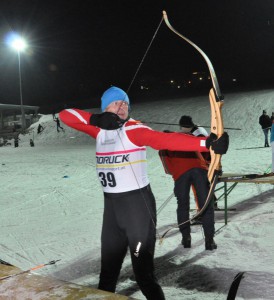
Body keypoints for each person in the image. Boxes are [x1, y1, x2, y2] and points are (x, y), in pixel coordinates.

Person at [59, 86, 229, 300]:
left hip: (137, 212)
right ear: (105, 108)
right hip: (112, 213)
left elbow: (163, 140)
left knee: (143, 276)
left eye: (125, 104)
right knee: (106, 278)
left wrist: (207, 143)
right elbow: (65, 116)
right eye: (115, 103)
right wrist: (95, 119)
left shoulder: (134, 130)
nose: (121, 107)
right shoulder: (99, 131)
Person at [159, 115, 216, 250]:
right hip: (199, 170)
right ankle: (209, 241)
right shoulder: (187, 137)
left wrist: (177, 177)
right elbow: (203, 151)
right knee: (205, 205)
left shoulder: (164, 146)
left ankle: (186, 239)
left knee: (182, 206)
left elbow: (167, 168)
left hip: (181, 175)